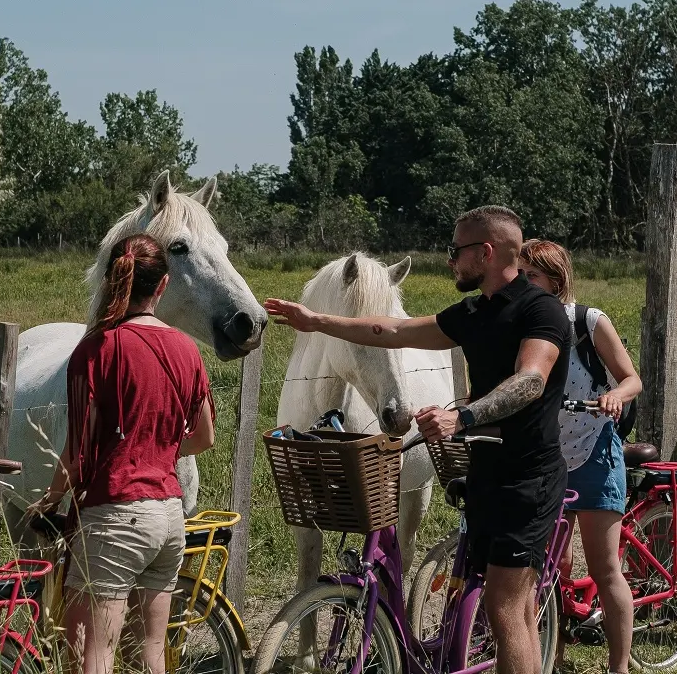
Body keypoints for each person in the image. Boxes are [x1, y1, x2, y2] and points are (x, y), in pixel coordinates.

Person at [264, 205, 570, 674]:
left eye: (456, 251)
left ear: (485, 253)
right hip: (488, 473)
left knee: (506, 609)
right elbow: (393, 329)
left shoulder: (540, 311)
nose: (450, 261)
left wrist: (462, 416)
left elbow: (529, 381)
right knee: (514, 607)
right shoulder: (475, 311)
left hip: (527, 477)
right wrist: (317, 320)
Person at [26, 233, 216, 674]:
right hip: (169, 517)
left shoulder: (95, 349)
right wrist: (159, 449)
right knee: (151, 655)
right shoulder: (187, 349)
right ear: (163, 287)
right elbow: (204, 437)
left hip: (114, 520)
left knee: (92, 657)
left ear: (112, 279)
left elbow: (78, 456)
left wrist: (48, 501)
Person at [520, 239, 640, 674]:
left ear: (555, 279)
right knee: (551, 565)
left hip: (594, 453)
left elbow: (632, 379)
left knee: (605, 568)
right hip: (549, 457)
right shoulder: (526, 323)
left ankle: (618, 667)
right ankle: (553, 657)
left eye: (531, 275)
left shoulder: (588, 321)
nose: (523, 283)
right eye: (520, 275)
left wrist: (613, 396)